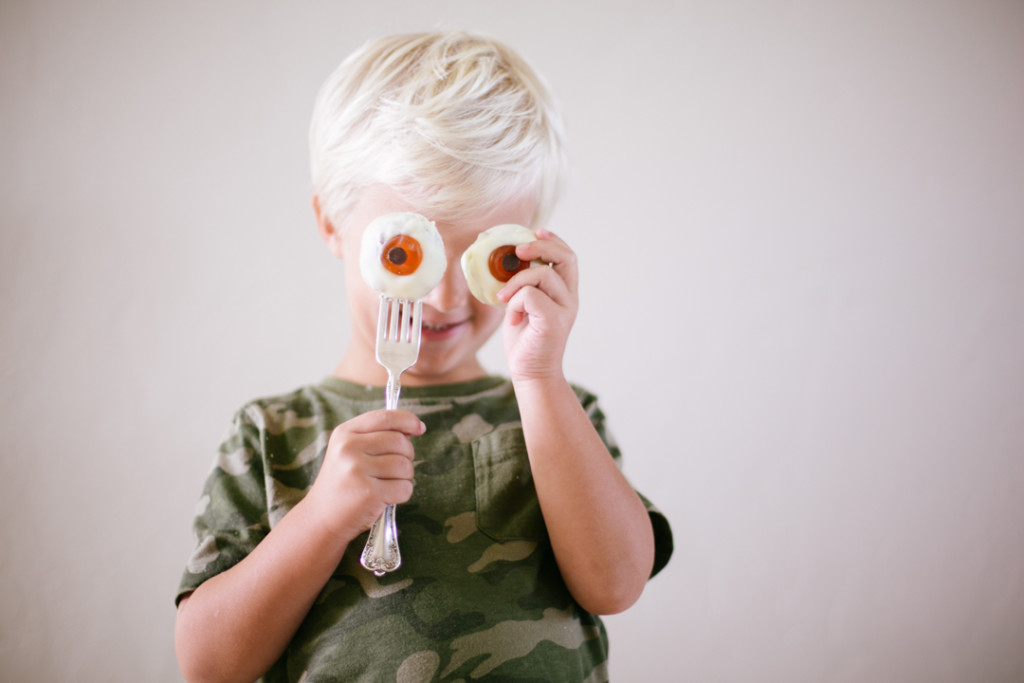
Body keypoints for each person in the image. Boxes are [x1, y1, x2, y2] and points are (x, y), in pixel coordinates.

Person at [174, 30, 673, 683]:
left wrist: (540, 377)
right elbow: (207, 664)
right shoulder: (272, 434)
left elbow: (616, 583)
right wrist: (322, 516)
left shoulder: (555, 412)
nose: (444, 296)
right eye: (404, 254)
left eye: (489, 257)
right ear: (331, 224)